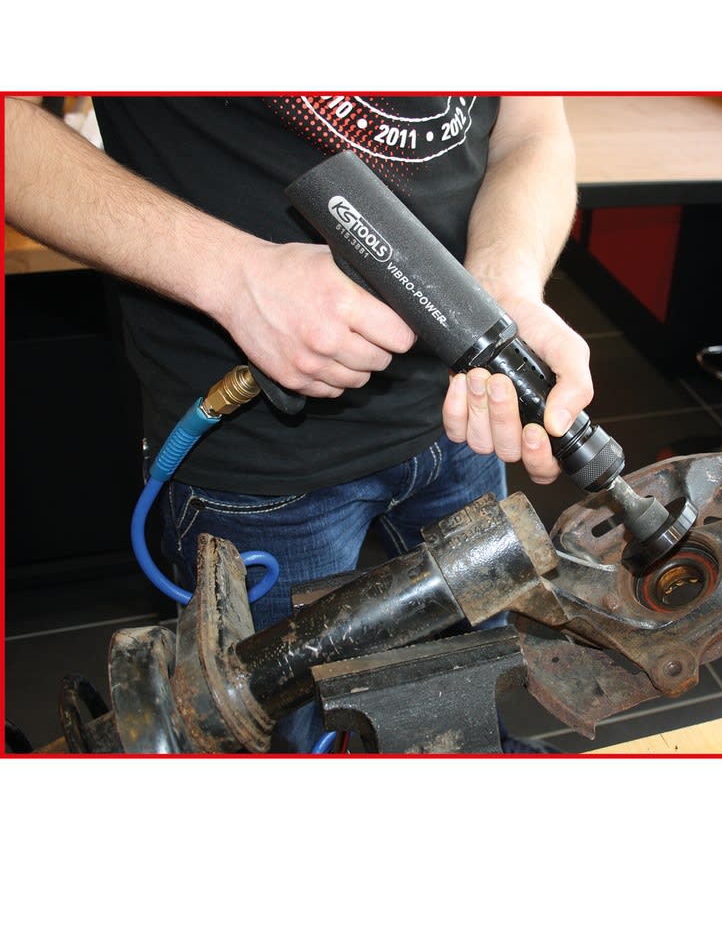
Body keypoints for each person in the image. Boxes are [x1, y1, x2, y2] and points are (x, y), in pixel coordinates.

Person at [5, 94, 593, 751]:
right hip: (260, 461)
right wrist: (234, 276)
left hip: (464, 418)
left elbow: (531, 127)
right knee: (281, 733)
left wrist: (502, 293)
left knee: (468, 702)